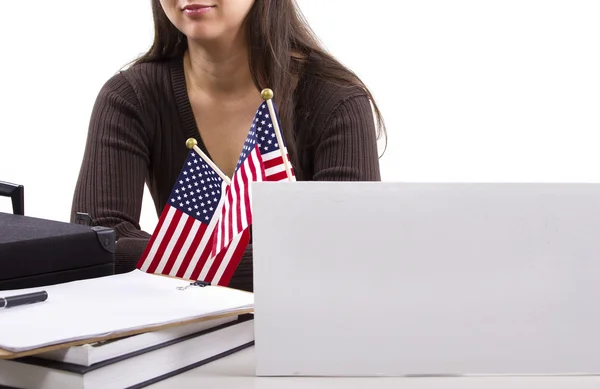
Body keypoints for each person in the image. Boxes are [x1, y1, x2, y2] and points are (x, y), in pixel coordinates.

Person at [71, 0, 386, 292]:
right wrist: (283, 265)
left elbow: (347, 262)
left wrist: (170, 261)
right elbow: (95, 247)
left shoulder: (337, 101)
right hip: (186, 339)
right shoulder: (129, 97)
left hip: (308, 341)